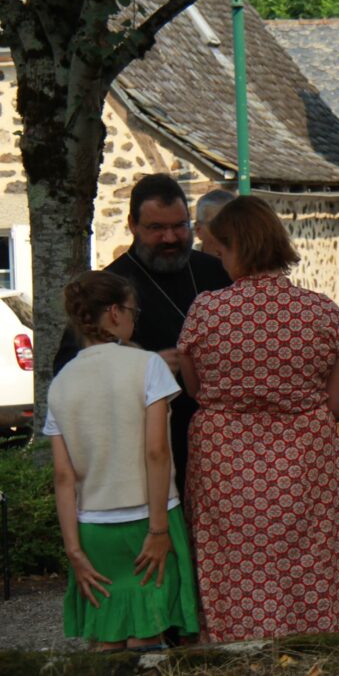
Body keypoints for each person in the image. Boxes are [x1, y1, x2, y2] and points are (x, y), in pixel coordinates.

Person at [177, 196, 339, 642]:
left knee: (231, 564)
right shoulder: (322, 312)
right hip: (304, 462)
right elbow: (336, 403)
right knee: (310, 560)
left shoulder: (206, 311)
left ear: (236, 246)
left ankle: (236, 648)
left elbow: (195, 388)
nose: (220, 262)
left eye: (221, 251)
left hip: (224, 465)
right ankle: (316, 650)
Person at [54, 174, 232, 500]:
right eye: (156, 228)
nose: (170, 238)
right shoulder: (110, 286)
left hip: (222, 446)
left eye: (179, 226)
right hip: (150, 449)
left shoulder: (216, 271)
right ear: (133, 225)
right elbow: (68, 370)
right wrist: (143, 366)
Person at [47, 271, 199, 650]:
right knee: (147, 633)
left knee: (106, 634)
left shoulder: (62, 381)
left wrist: (74, 551)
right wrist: (160, 530)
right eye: (133, 310)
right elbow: (156, 451)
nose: (135, 318)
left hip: (93, 530)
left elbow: (63, 477)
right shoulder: (147, 366)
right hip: (150, 519)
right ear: (114, 313)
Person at [193, 188, 235, 258]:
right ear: (198, 230)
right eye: (217, 226)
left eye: (234, 225)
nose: (227, 233)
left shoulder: (254, 265)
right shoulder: (189, 266)